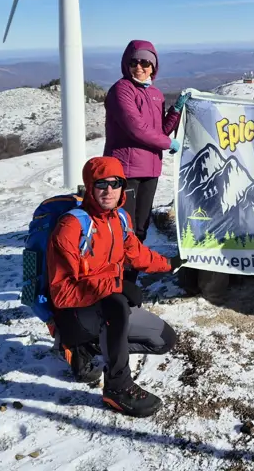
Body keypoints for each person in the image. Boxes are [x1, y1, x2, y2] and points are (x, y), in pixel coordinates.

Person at [47, 156, 183, 417]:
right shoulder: (72, 226)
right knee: (116, 304)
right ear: (89, 186)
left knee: (163, 340)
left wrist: (169, 263)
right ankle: (117, 388)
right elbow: (62, 293)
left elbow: (137, 255)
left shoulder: (119, 219)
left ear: (123, 187)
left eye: (115, 183)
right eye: (101, 184)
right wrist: (114, 286)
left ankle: (84, 349)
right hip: (74, 312)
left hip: (106, 306)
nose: (108, 190)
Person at [104, 40, 189, 280]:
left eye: (145, 62)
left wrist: (176, 110)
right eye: (134, 62)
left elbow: (160, 130)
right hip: (125, 171)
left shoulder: (155, 94)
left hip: (150, 169)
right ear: (126, 64)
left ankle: (129, 278)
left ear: (154, 66)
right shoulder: (121, 90)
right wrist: (168, 144)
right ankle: (115, 280)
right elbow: (136, 129)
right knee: (123, 228)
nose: (139, 67)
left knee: (140, 228)